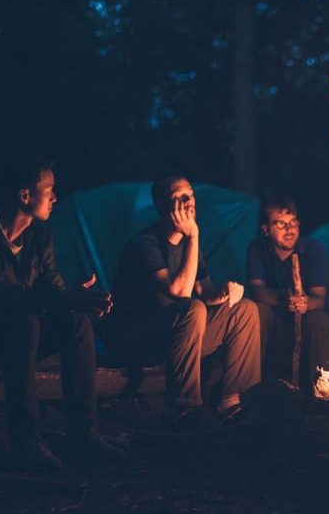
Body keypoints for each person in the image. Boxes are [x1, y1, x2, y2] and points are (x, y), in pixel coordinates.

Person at [0, 157, 122, 471]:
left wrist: (71, 298)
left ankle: (84, 431)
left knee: (75, 323)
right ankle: (26, 440)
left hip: (12, 333)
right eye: (50, 190)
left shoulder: (38, 236)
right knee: (25, 324)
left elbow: (49, 285)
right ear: (25, 196)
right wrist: (60, 297)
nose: (55, 198)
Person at [109, 175, 261, 427]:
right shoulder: (145, 243)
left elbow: (205, 290)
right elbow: (179, 291)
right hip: (138, 338)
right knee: (192, 308)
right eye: (179, 197)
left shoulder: (190, 245)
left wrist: (226, 291)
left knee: (244, 310)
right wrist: (193, 236)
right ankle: (183, 407)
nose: (188, 202)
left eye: (190, 195)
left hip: (180, 337)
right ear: (160, 205)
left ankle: (233, 401)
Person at [246, 195, 329, 389]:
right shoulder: (258, 249)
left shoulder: (313, 249)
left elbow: (320, 298)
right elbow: (256, 290)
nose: (289, 229)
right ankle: (252, 387)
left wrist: (305, 303)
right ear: (266, 229)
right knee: (257, 311)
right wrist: (282, 299)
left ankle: (323, 389)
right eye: (280, 224)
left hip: (304, 322)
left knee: (319, 319)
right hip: (275, 323)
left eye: (293, 222)